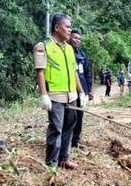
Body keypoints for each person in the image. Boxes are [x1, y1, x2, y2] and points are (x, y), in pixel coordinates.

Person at [33, 13, 87, 169]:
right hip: (55, 96)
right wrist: (44, 95)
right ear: (57, 27)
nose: (70, 30)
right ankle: (52, 163)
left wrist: (81, 92)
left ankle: (64, 158)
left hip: (71, 96)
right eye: (67, 27)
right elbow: (40, 72)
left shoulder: (69, 49)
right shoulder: (43, 46)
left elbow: (74, 72)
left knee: (69, 127)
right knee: (56, 128)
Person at [68, 29, 93, 148]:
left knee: (79, 116)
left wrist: (89, 91)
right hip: (69, 90)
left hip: (82, 91)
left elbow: (88, 73)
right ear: (69, 38)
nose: (76, 40)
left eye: (78, 38)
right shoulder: (66, 53)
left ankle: (75, 141)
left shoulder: (82, 55)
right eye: (74, 37)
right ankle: (66, 140)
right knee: (69, 117)